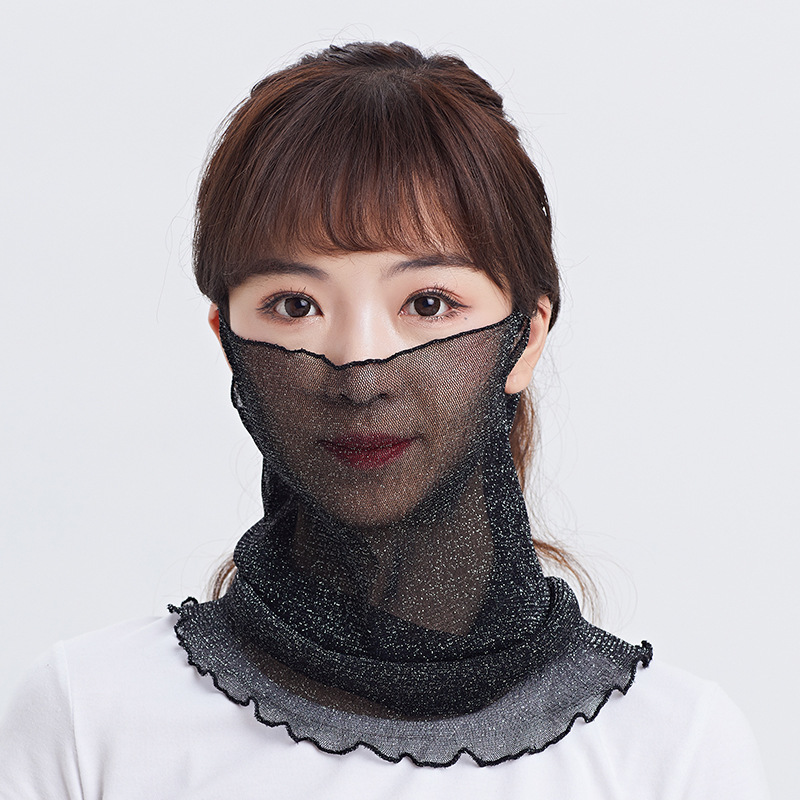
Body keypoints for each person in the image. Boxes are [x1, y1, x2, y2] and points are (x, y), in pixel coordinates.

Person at [0, 41, 769, 798]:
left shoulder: (675, 753)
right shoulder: (88, 719)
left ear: (527, 337)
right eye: (295, 305)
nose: (360, 371)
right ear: (227, 341)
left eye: (427, 303)